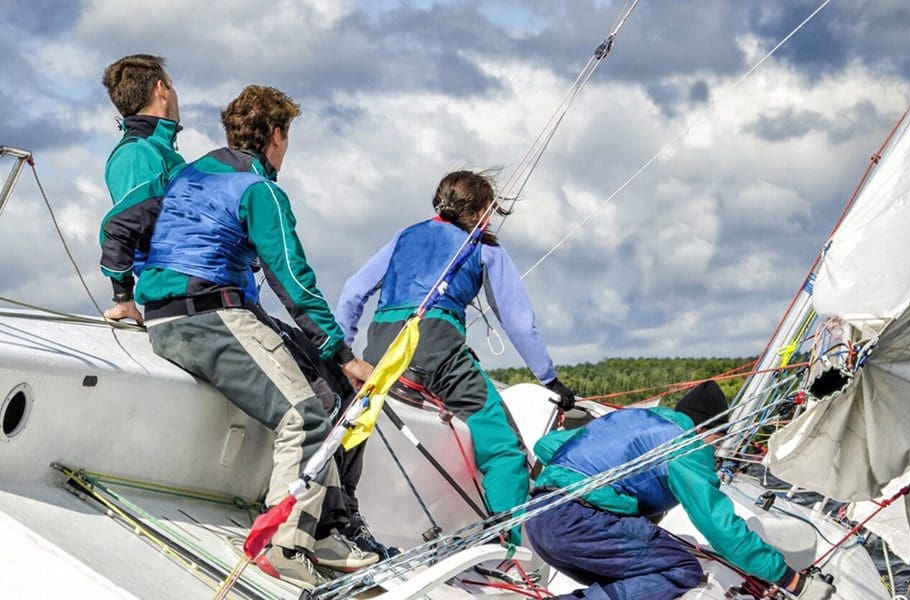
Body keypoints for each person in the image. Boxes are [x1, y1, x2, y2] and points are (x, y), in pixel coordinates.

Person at [136, 85, 377, 589]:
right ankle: (284, 542)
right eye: (287, 137)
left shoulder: (188, 173)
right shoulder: (260, 190)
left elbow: (141, 232)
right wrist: (344, 353)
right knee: (308, 413)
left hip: (163, 316)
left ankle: (323, 528)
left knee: (324, 388)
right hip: (209, 318)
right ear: (275, 135)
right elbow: (293, 280)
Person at [335, 170, 577, 544]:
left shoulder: (405, 235)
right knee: (505, 448)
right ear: (481, 209)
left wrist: (341, 352)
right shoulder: (485, 247)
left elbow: (352, 292)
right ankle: (506, 547)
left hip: (382, 345)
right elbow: (519, 321)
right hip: (436, 345)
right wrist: (549, 379)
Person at [524, 381, 837, 600]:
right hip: (577, 524)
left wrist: (622, 489)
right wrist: (792, 581)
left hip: (539, 521)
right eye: (718, 441)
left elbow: (546, 445)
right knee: (680, 568)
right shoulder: (687, 444)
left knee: (633, 574)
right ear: (706, 429)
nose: (715, 451)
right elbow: (718, 526)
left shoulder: (633, 419)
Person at [99, 54, 185, 326]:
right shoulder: (137, 152)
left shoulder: (159, 150)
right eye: (172, 85)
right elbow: (126, 226)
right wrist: (123, 296)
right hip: (179, 300)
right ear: (161, 88)